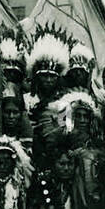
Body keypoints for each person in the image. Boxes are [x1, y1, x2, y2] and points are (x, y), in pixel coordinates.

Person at [24, 28, 71, 170]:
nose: (48, 80)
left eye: (52, 76)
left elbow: (67, 131)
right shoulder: (26, 99)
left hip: (54, 156)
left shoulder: (64, 102)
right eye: (45, 76)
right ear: (37, 77)